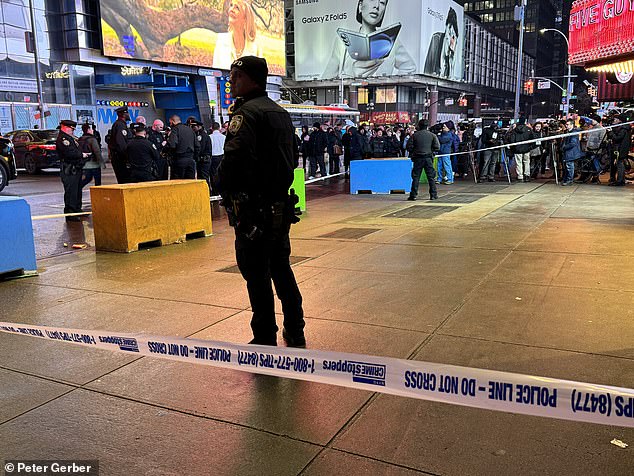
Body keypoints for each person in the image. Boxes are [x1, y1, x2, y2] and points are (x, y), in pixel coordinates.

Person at [218, 56, 305, 347]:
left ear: (253, 79)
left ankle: (264, 336)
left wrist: (220, 184)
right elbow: (293, 158)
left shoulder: (247, 114)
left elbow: (235, 160)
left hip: (253, 208)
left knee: (256, 275)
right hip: (280, 206)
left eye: (236, 76)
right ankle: (295, 328)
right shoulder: (280, 112)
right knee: (281, 267)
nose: (232, 81)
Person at [321, 0, 417, 79]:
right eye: (372, 0)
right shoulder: (342, 41)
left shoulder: (392, 41)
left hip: (379, 97)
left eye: (382, 3)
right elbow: (328, 76)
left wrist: (392, 84)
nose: (376, 6)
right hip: (350, 96)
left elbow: (409, 67)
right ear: (360, 6)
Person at [213, 0, 261, 69]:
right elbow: (212, 74)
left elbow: (261, 77)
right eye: (231, 5)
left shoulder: (256, 47)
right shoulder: (221, 40)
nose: (231, 10)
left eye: (237, 8)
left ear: (245, 18)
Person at [56, 120, 89, 222]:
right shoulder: (63, 139)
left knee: (77, 190)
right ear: (65, 127)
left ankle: (77, 209)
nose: (72, 131)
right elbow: (69, 153)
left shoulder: (70, 138)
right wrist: (82, 155)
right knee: (71, 191)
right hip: (68, 168)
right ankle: (70, 213)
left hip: (75, 167)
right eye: (71, 129)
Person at [406, 119, 440, 201]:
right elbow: (437, 147)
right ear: (427, 126)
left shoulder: (414, 135)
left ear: (419, 126)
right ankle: (433, 195)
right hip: (428, 158)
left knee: (416, 177)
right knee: (431, 177)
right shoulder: (432, 135)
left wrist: (415, 151)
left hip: (417, 158)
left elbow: (408, 147)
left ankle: (413, 195)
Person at [424, 7, 460, 79]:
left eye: (453, 36)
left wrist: (452, 55)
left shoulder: (453, 46)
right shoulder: (436, 37)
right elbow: (427, 68)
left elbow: (451, 73)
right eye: (449, 32)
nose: (451, 38)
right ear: (446, 28)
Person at [167, 115, 196, 179]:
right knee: (190, 183)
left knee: (177, 184)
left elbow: (172, 145)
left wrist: (169, 154)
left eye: (170, 122)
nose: (170, 124)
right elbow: (197, 146)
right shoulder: (190, 130)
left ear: (173, 121)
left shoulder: (175, 130)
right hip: (191, 160)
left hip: (179, 160)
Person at [108, 106, 131, 183]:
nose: (128, 114)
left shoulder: (121, 124)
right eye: (127, 113)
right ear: (123, 114)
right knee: (124, 180)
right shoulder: (120, 125)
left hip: (119, 157)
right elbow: (121, 143)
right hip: (120, 158)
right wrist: (127, 156)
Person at [508, 117, 534, 182]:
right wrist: (530, 147)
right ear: (525, 122)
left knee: (518, 163)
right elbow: (532, 139)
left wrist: (513, 148)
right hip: (527, 149)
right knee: (527, 162)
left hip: (517, 149)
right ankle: (527, 175)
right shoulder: (528, 129)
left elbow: (512, 140)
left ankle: (520, 176)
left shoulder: (514, 130)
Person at [609, 114, 631, 186]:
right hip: (622, 148)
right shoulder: (625, 128)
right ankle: (620, 180)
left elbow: (617, 138)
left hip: (620, 149)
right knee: (620, 164)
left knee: (620, 164)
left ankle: (620, 181)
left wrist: (611, 133)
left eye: (617, 119)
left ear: (620, 120)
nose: (615, 120)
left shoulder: (623, 129)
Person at [79, 123, 103, 188]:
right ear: (88, 130)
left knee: (88, 178)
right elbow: (97, 151)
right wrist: (101, 163)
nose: (92, 130)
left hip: (85, 164)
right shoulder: (92, 139)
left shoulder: (80, 139)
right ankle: (98, 194)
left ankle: (78, 187)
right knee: (98, 181)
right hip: (94, 163)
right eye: (91, 129)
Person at [191, 120, 212, 192]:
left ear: (199, 127)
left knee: (204, 178)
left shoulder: (202, 136)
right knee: (201, 177)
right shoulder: (198, 135)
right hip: (201, 160)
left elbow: (200, 148)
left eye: (194, 126)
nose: (192, 128)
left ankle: (207, 192)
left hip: (204, 160)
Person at [560, 119, 583, 186]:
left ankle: (569, 180)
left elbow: (573, 143)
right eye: (566, 124)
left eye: (567, 124)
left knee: (569, 166)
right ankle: (567, 179)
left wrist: (564, 147)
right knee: (568, 166)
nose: (566, 126)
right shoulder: (569, 132)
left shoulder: (573, 133)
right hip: (569, 152)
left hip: (571, 152)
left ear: (572, 125)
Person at [209, 121, 226, 196]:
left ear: (212, 128)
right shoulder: (224, 137)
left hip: (213, 157)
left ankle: (215, 191)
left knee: (213, 174)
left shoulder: (210, 137)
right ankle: (223, 190)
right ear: (219, 128)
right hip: (222, 156)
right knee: (222, 173)